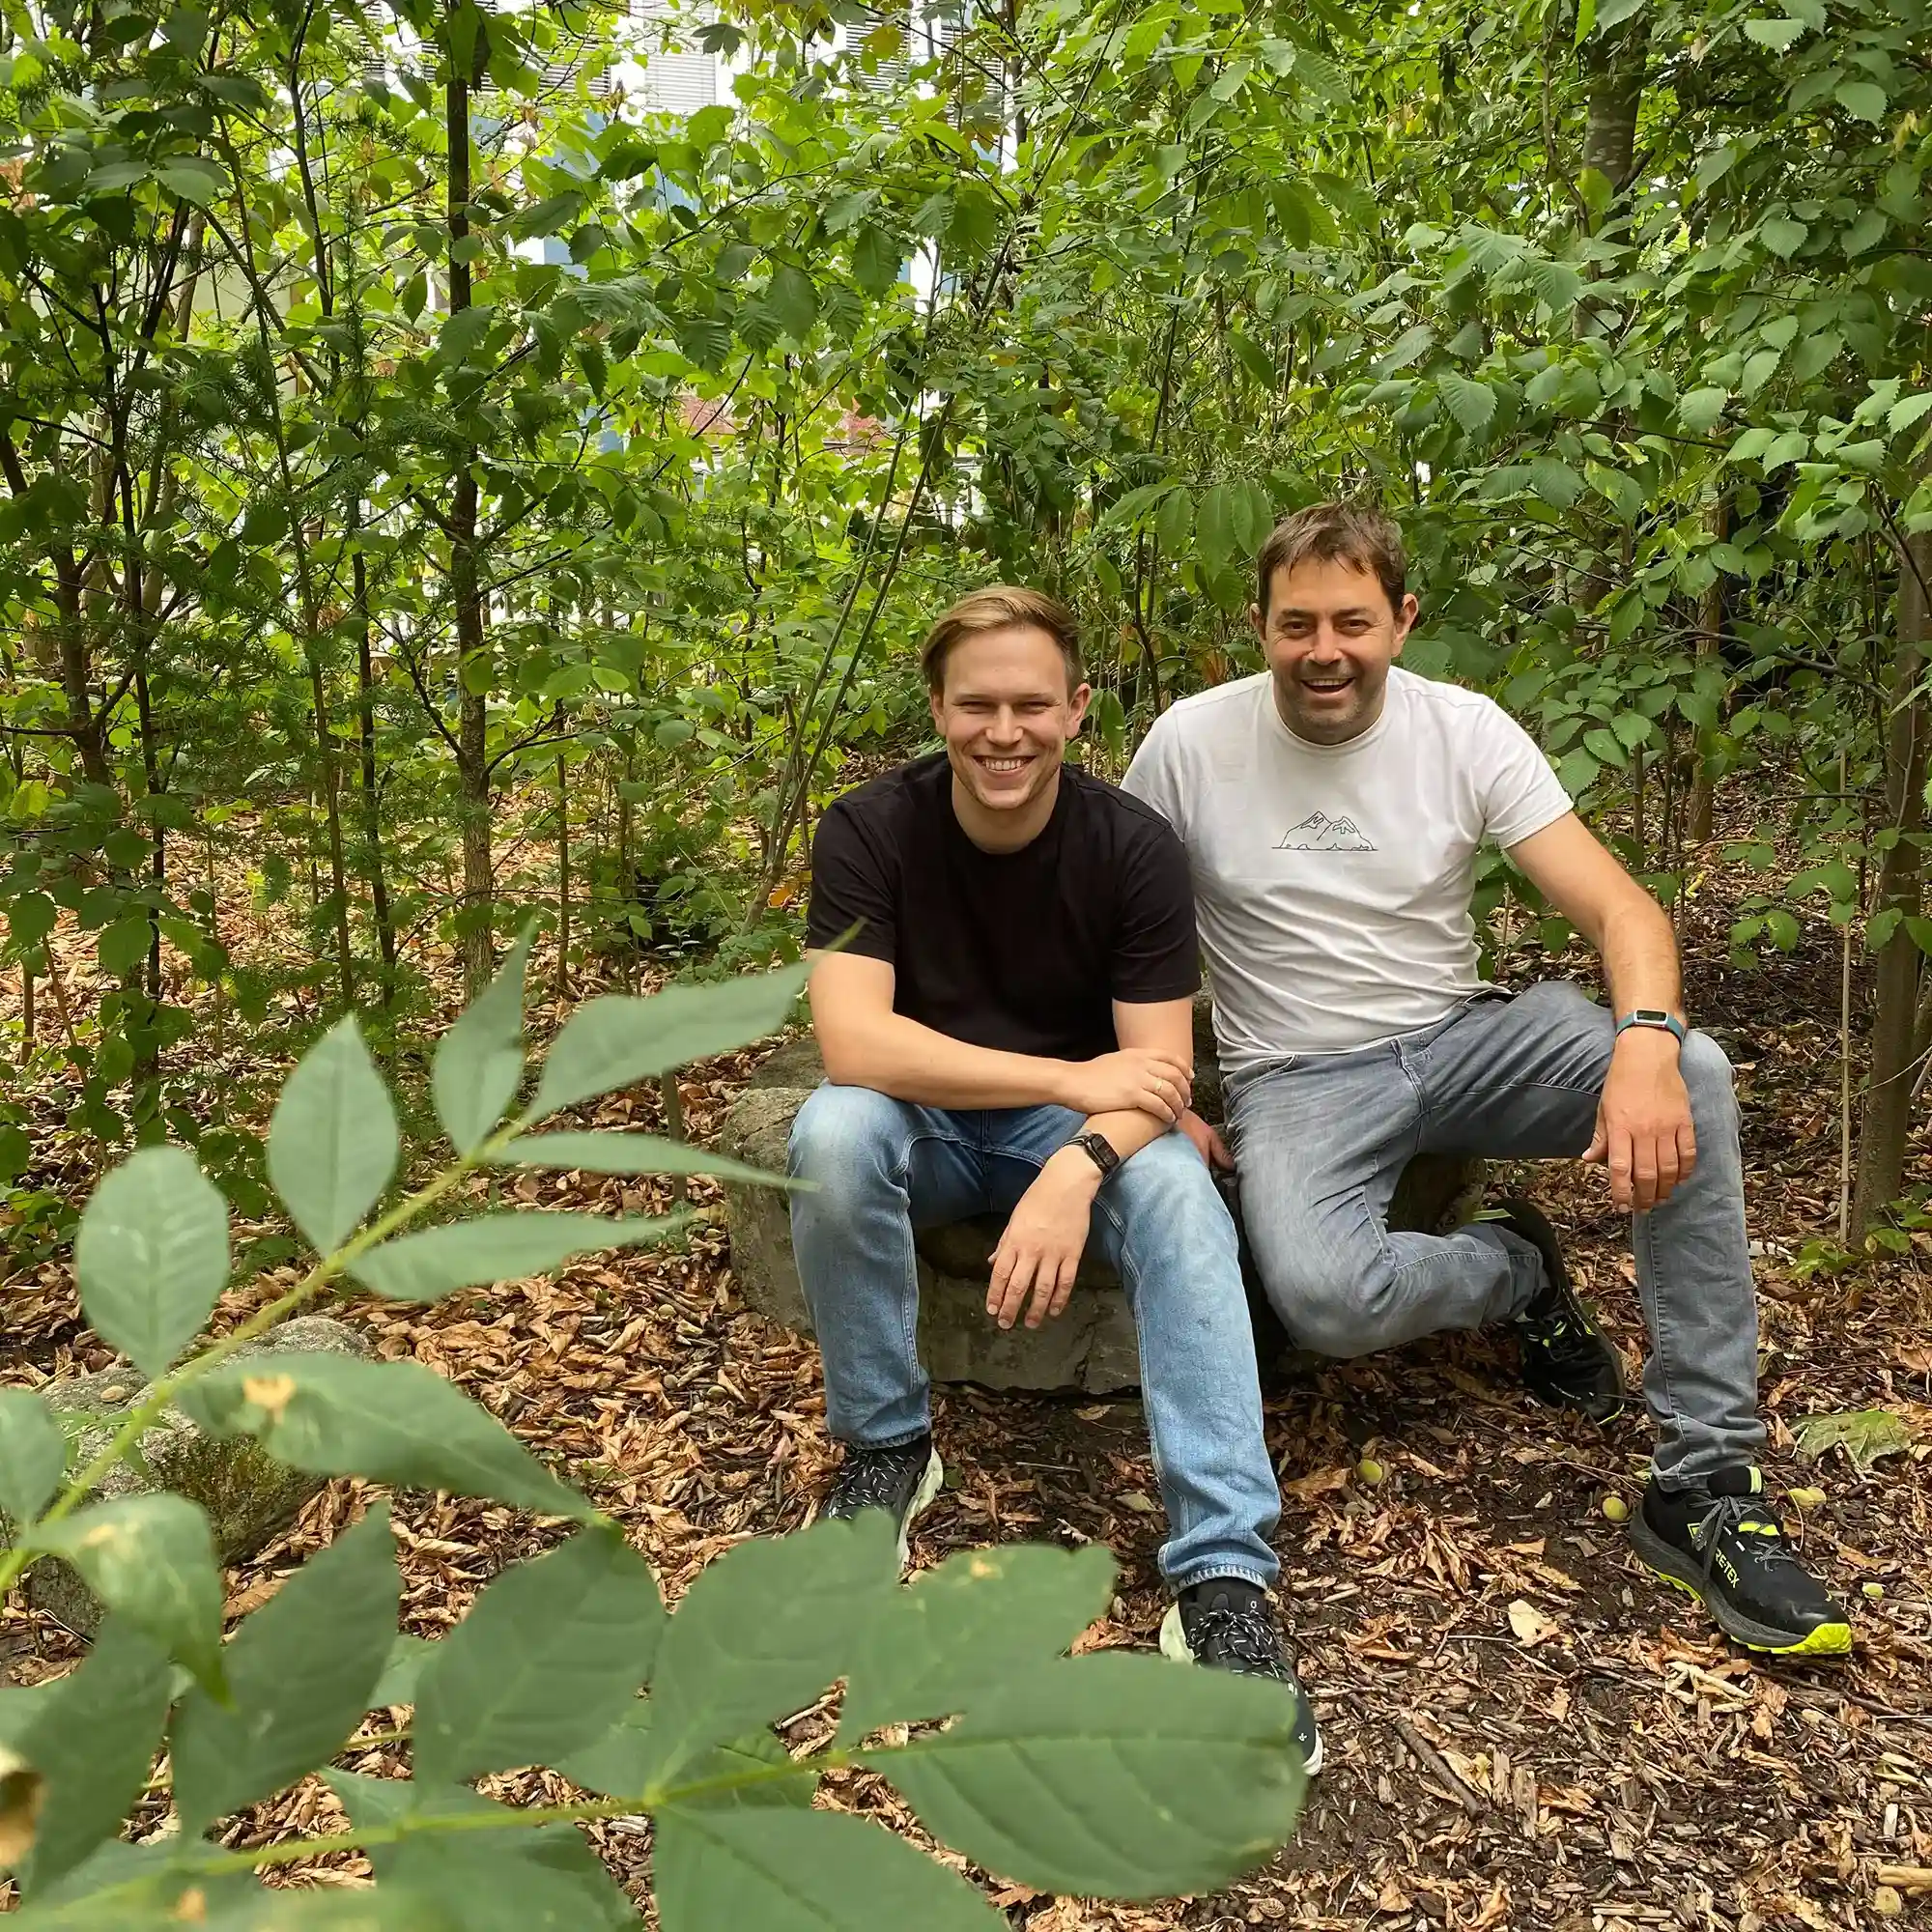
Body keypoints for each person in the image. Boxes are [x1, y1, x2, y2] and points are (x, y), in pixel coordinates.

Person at [1123, 500, 1849, 1661]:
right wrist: (1145, 1089)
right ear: (1256, 628)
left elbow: (1619, 907)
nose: (1324, 649)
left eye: (1351, 621)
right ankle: (1512, 1272)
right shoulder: (1187, 742)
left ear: (1401, 621)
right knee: (1322, 1298)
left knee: (1698, 1071)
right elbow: (1115, 922)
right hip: (1296, 1075)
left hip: (1466, 1037)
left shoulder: (1460, 729)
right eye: (1295, 622)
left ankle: (1702, 1480)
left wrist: (1649, 1041)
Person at [788, 585, 1321, 1768]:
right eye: (975, 703)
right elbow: (853, 1046)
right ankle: (886, 1445)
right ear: (936, 707)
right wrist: (1078, 1078)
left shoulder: (1129, 844)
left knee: (1181, 1192)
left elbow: (1162, 1073)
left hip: (1066, 1129)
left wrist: (1077, 1160)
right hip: (916, 1117)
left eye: (1031, 703)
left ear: (1076, 710)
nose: (1003, 731)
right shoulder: (868, 830)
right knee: (829, 1132)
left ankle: (1222, 1580)